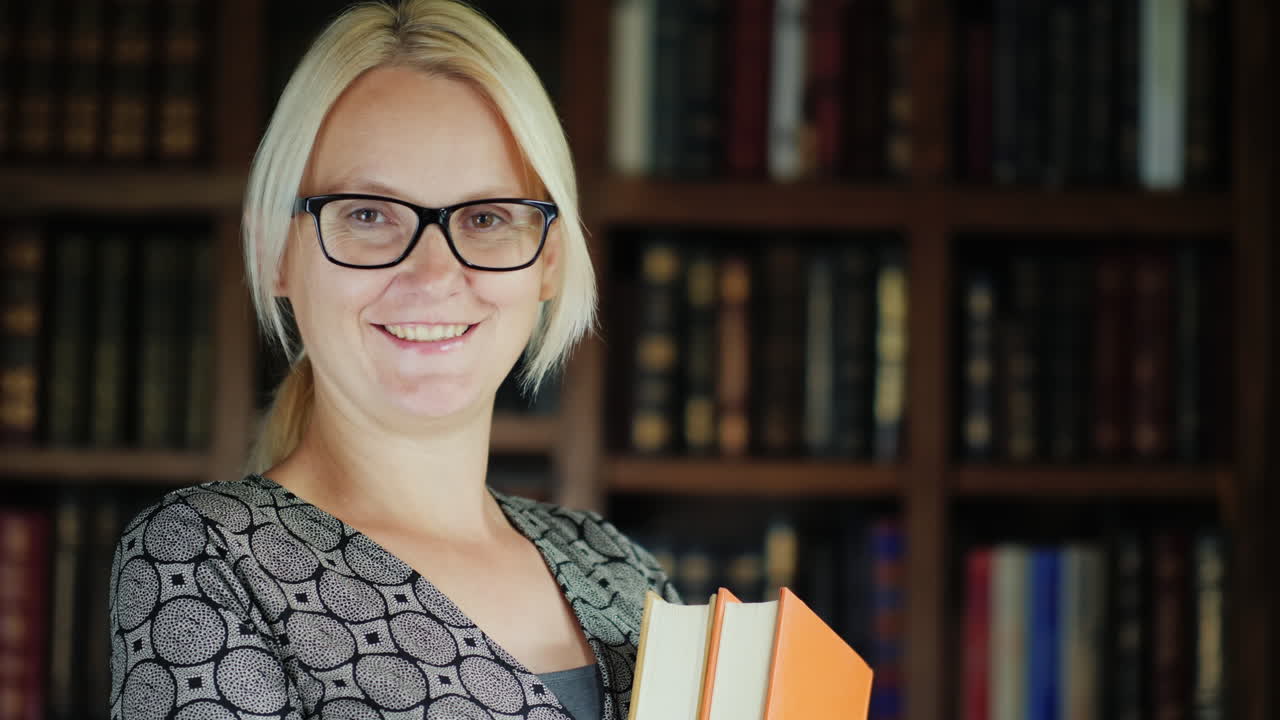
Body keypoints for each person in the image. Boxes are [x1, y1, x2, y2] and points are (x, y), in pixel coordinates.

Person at [108, 2, 679, 718]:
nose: (434, 274)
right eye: (369, 215)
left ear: (550, 263)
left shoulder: (620, 570)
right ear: (274, 251)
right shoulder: (206, 557)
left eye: (486, 217)